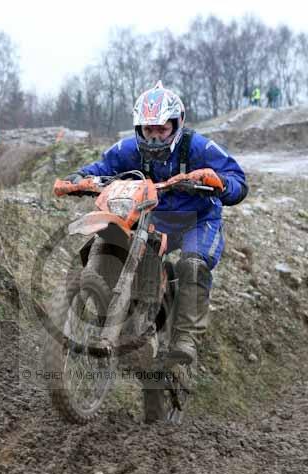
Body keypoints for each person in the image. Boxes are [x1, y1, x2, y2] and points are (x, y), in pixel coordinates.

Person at [63, 81, 248, 364]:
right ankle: (108, 312)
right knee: (111, 238)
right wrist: (79, 178)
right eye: (149, 130)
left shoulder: (199, 147)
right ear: (139, 128)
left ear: (177, 124)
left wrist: (219, 182)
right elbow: (101, 168)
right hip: (152, 217)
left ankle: (185, 338)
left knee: (192, 264)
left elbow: (239, 181)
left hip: (197, 221)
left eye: (162, 129)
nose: (154, 137)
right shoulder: (127, 149)